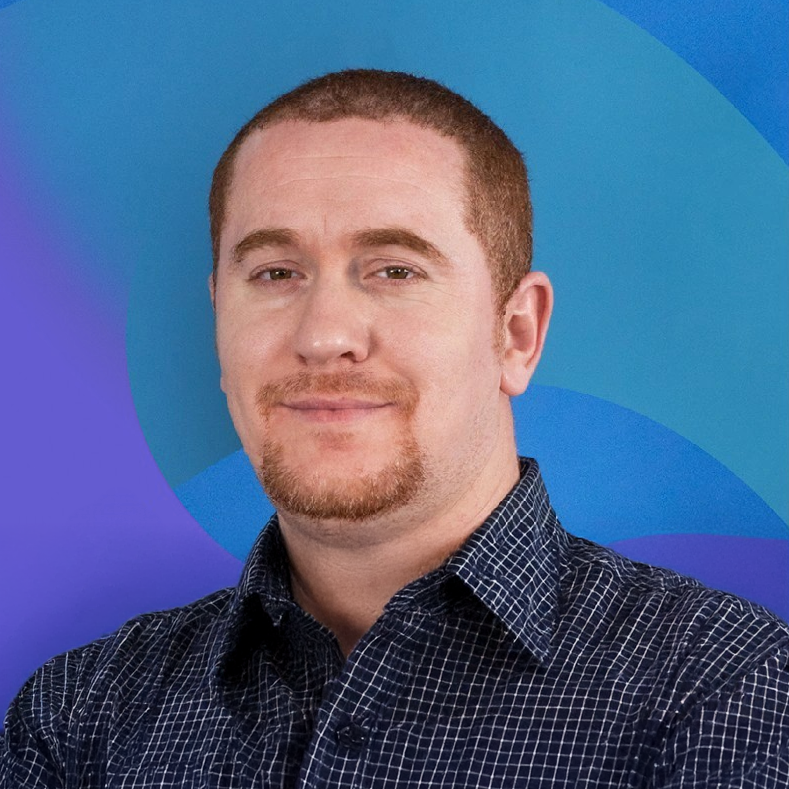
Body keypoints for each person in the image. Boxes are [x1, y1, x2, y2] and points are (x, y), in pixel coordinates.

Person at [2, 69, 787, 788]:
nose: (325, 334)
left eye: (394, 269)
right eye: (275, 272)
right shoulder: (80, 718)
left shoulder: (721, 690)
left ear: (515, 333)